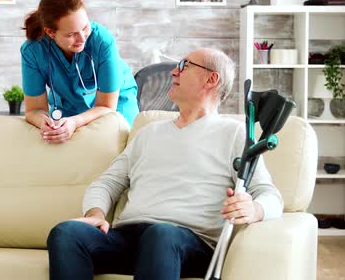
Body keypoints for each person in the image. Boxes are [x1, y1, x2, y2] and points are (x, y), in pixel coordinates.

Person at [46, 48, 284, 280]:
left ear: (211, 79)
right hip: (129, 238)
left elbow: (270, 195)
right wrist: (95, 213)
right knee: (66, 232)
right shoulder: (148, 133)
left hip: (189, 243)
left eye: (184, 66)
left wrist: (254, 209)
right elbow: (107, 182)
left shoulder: (235, 134)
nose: (173, 72)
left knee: (161, 234)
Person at [21, 0, 139, 143]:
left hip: (116, 101)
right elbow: (34, 110)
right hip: (70, 103)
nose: (82, 38)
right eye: (71, 34)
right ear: (50, 32)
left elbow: (107, 106)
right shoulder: (33, 51)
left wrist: (75, 122)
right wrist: (45, 123)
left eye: (85, 28)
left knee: (121, 144)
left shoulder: (102, 41)